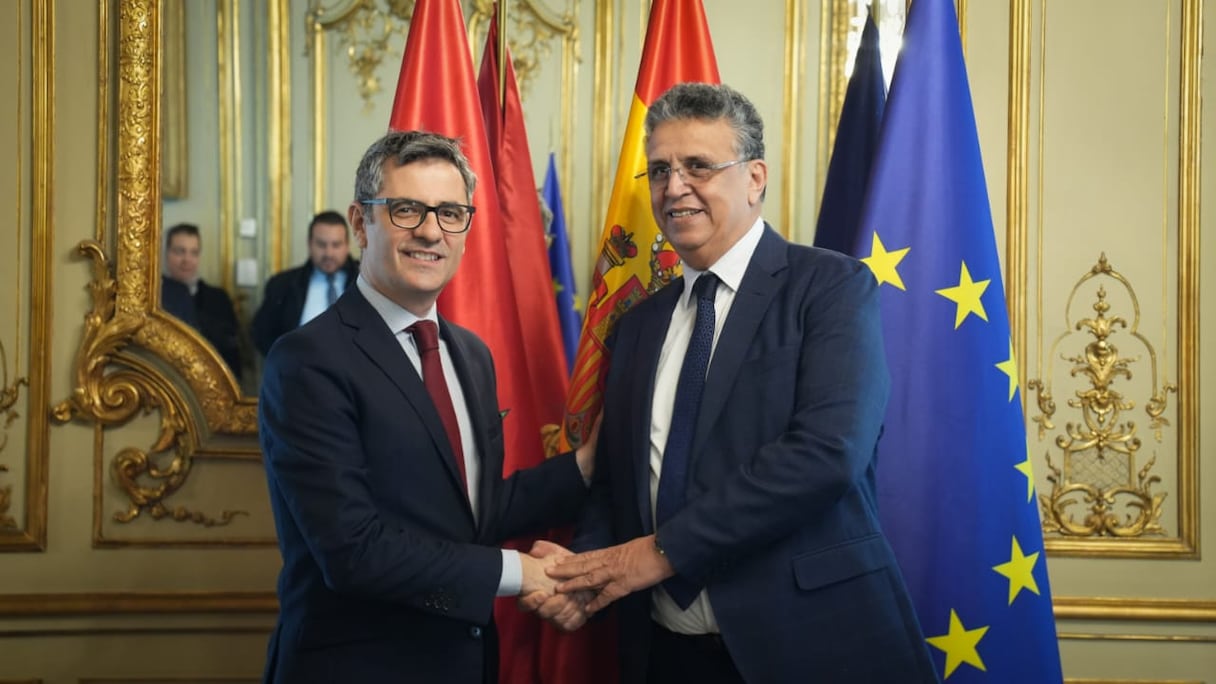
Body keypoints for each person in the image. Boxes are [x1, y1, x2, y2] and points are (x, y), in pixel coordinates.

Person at [529, 83, 938, 683]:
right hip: (665, 654)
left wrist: (660, 552)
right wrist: (587, 576)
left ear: (754, 178)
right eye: (660, 170)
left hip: (811, 645)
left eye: (698, 166)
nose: (674, 187)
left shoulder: (830, 287)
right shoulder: (638, 325)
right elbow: (618, 480)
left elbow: (828, 454)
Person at [258, 130, 595, 684]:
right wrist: (520, 572)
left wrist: (584, 467)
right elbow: (353, 551)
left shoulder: (471, 354)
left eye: (450, 213)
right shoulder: (307, 361)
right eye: (406, 209)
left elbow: (474, 510)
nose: (431, 231)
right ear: (361, 223)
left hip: (466, 664)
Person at [251, 210, 360, 356]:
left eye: (336, 245)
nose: (328, 253)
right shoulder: (282, 285)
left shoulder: (366, 282)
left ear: (347, 246)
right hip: (298, 367)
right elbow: (261, 334)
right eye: (321, 245)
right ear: (309, 244)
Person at [162, 222, 243, 379]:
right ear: (166, 253)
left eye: (194, 252)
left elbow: (232, 355)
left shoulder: (219, 298)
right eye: (180, 251)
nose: (187, 259)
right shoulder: (153, 296)